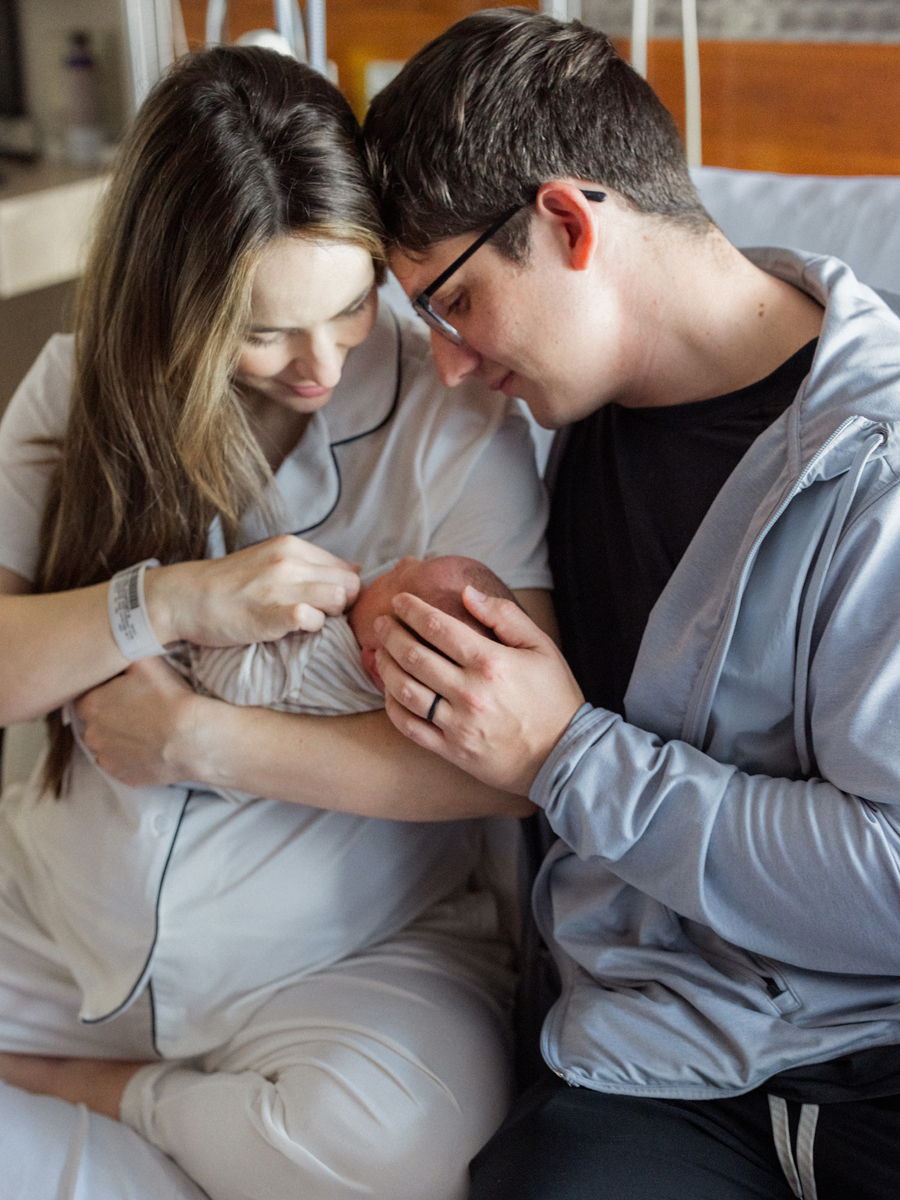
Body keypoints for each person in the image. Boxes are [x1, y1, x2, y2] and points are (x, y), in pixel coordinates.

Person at [0, 45, 554, 1200]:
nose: (319, 363)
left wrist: (199, 740)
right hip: (56, 920)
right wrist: (173, 600)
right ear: (177, 305)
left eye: (349, 305)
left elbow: (514, 764)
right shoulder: (74, 386)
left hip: (343, 950)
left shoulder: (450, 417)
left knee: (405, 1155)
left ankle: (110, 1097)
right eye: (261, 330)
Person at [362, 10, 900, 1199]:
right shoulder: (543, 436)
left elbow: (890, 879)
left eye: (452, 302)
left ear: (565, 220)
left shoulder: (878, 471)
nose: (447, 362)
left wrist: (565, 750)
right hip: (648, 1072)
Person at [171, 554, 516, 717]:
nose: (403, 561)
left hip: (194, 677)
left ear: (378, 665)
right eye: (420, 559)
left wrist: (202, 638)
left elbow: (232, 681)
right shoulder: (365, 642)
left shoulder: (318, 652)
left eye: (398, 583)